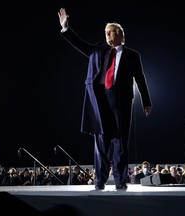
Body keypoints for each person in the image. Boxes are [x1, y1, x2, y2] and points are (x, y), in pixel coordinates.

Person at [57, 8, 153, 190]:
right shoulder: (97, 50)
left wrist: (146, 102)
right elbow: (79, 44)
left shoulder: (132, 55)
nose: (108, 35)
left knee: (120, 142)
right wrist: (66, 28)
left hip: (122, 100)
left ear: (120, 35)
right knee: (101, 140)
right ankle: (99, 181)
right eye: (106, 32)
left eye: (112, 32)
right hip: (99, 98)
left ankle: (120, 181)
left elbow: (140, 78)